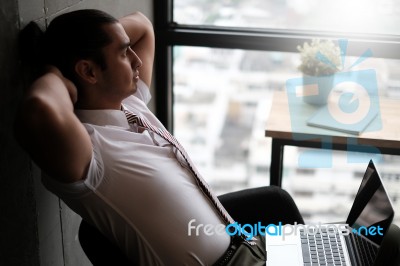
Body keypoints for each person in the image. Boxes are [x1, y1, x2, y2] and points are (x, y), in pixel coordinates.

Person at [15, 9, 304, 265]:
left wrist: (90, 47)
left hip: (245, 245)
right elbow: (38, 109)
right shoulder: (88, 152)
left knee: (280, 204)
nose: (137, 60)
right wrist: (54, 70)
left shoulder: (130, 103)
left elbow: (143, 26)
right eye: (124, 53)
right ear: (88, 71)